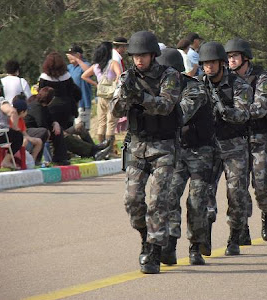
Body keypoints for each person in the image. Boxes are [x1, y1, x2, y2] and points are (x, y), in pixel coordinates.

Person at [110, 31, 181, 274]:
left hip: (164, 147)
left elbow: (165, 105)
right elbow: (114, 109)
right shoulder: (127, 77)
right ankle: (145, 236)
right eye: (135, 56)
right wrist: (124, 98)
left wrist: (139, 96)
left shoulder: (169, 76)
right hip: (137, 146)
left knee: (158, 201)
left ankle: (152, 251)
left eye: (143, 55)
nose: (138, 60)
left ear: (153, 55)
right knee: (132, 201)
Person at [156, 48, 212, 266]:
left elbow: (179, 114)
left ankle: (195, 246)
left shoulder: (195, 88)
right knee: (169, 197)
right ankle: (170, 244)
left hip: (201, 152)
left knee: (196, 201)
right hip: (177, 151)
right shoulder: (162, 90)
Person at [198, 41, 252, 256]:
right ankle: (205, 236)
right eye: (205, 63)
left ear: (221, 63)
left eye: (212, 63)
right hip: (208, 146)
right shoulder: (198, 84)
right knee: (204, 194)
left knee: (236, 194)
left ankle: (234, 237)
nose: (208, 67)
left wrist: (223, 109)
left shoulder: (240, 86)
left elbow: (243, 115)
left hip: (234, 145)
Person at [225, 38, 267, 246]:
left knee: (262, 183)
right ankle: (242, 226)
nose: (230, 61)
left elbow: (260, 108)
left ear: (245, 58)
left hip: (261, 136)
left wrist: (231, 113)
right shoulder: (226, 80)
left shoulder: (262, 78)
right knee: (238, 186)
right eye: (228, 57)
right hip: (237, 138)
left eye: (234, 57)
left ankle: (266, 212)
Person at [82, 42, 122, 156]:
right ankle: (109, 150)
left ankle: (101, 148)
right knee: (111, 122)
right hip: (111, 96)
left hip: (100, 96)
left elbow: (84, 76)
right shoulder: (113, 63)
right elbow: (120, 75)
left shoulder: (96, 66)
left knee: (101, 122)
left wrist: (96, 84)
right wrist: (114, 84)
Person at [24, 87, 70, 165]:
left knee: (58, 131)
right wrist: (48, 130)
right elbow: (41, 123)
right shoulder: (37, 107)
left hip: (38, 129)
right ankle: (37, 159)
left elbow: (49, 118)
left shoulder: (44, 107)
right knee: (44, 132)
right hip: (28, 130)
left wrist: (55, 123)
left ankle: (60, 157)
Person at [39, 52, 82, 131]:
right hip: (66, 108)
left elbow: (41, 95)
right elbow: (76, 93)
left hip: (50, 109)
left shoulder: (43, 78)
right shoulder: (67, 77)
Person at [11, 96, 43, 164]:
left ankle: (32, 161)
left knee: (39, 141)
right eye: (26, 111)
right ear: (22, 112)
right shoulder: (11, 119)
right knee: (24, 140)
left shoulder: (21, 120)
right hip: (13, 140)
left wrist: (31, 139)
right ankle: (18, 161)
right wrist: (27, 138)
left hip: (21, 137)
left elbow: (24, 132)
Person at [66, 45, 92, 130]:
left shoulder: (85, 64)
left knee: (83, 128)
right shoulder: (69, 67)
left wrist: (77, 59)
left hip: (83, 102)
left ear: (78, 55)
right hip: (71, 103)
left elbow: (89, 71)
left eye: (72, 54)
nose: (69, 57)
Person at [0, 83, 23, 169]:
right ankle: (6, 161)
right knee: (18, 136)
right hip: (1, 135)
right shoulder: (0, 101)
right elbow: (12, 112)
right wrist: (15, 127)